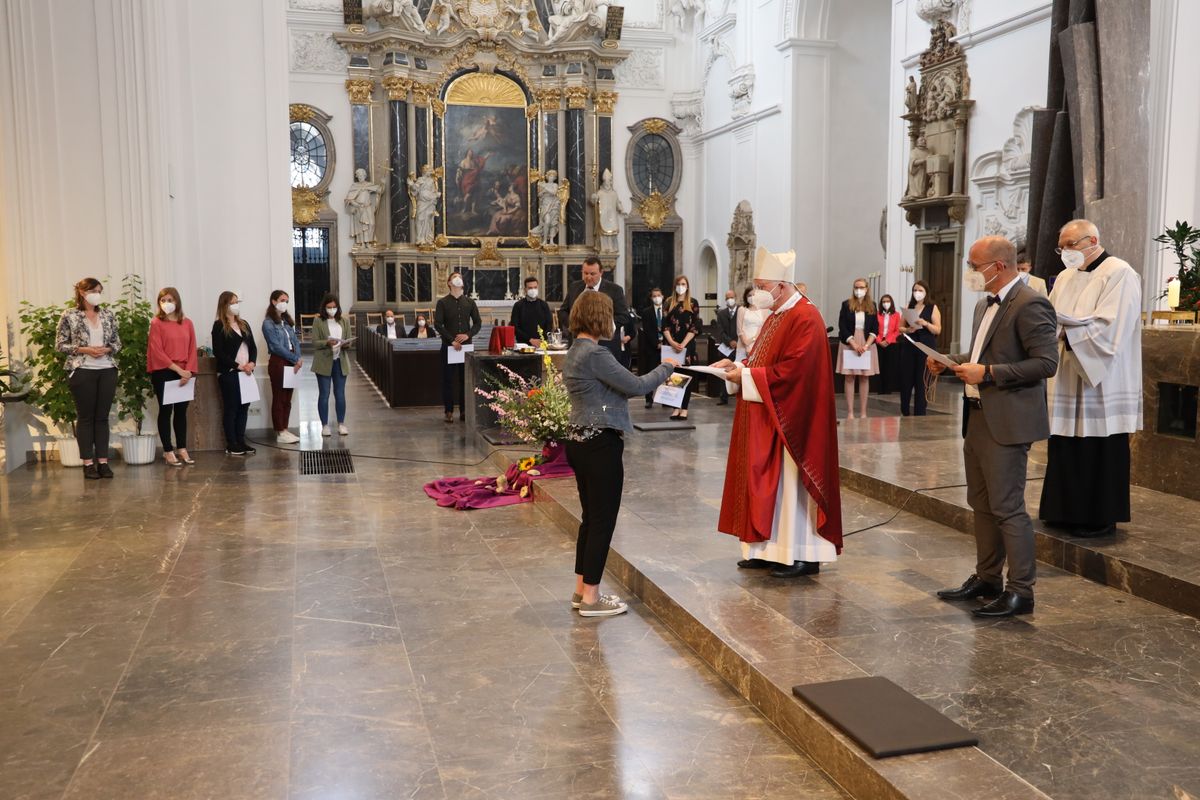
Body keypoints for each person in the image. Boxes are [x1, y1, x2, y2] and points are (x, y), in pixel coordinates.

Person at [929, 235, 1058, 617]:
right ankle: (987, 577)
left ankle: (1022, 591)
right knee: (981, 503)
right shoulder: (983, 305)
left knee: (1008, 507)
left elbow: (1046, 364)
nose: (970, 272)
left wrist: (987, 372)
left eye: (974, 265)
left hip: (1008, 421)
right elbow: (982, 354)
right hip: (978, 416)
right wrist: (950, 361)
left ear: (998, 267)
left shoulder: (1031, 302)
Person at [714, 247, 843, 579]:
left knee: (792, 487)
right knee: (768, 484)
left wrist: (745, 376)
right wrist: (739, 366)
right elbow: (763, 361)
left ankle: (803, 553)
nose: (757, 292)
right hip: (769, 414)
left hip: (796, 420)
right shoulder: (777, 314)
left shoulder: (806, 317)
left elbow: (795, 373)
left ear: (782, 286)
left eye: (761, 285)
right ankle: (768, 550)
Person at [563, 290, 678, 617]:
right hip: (600, 441)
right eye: (611, 315)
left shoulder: (575, 351)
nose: (615, 322)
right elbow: (637, 386)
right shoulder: (596, 354)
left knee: (590, 520)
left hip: (579, 439)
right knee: (602, 521)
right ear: (600, 317)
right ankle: (592, 599)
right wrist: (667, 368)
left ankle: (580, 589)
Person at [1039, 220, 1143, 538]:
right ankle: (1063, 511)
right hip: (1069, 372)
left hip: (1102, 376)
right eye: (1062, 247)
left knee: (1099, 444)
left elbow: (1114, 326)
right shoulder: (1067, 277)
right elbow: (1051, 314)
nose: (1065, 253)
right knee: (1066, 442)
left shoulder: (1119, 272)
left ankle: (1099, 516)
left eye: (1071, 245)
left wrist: (1071, 331)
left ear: (1092, 240)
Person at [56, 278, 121, 479]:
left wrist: (107, 349)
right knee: (86, 418)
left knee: (102, 417)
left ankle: (103, 462)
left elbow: (117, 342)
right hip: (82, 369)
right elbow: (60, 345)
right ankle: (87, 463)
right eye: (94, 290)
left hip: (107, 369)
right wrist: (85, 349)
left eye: (100, 291)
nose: (97, 294)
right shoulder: (69, 315)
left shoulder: (108, 314)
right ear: (83, 292)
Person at [147, 287, 198, 465]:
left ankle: (182, 447)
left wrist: (189, 371)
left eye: (170, 300)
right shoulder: (156, 323)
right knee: (166, 410)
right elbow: (157, 351)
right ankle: (168, 450)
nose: (166, 303)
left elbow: (192, 348)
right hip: (165, 371)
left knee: (181, 412)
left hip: (186, 372)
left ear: (177, 301)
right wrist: (178, 370)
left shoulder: (187, 323)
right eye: (163, 300)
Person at [211, 291, 257, 456]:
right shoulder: (219, 326)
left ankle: (241, 440)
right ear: (225, 305)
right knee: (232, 408)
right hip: (230, 373)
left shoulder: (244, 324)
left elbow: (252, 347)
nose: (236, 305)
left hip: (246, 373)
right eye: (233, 303)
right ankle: (231, 444)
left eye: (237, 302)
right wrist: (238, 366)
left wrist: (252, 363)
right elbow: (219, 352)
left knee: (244, 407)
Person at [559, 256, 631, 358]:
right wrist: (574, 325)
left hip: (605, 346)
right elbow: (563, 311)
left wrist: (599, 326)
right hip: (578, 345)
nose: (588, 277)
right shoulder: (574, 287)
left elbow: (624, 316)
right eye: (585, 273)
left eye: (592, 274)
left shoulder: (614, 290)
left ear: (601, 272)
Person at [435, 271, 481, 423]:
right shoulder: (442, 303)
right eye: (454, 277)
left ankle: (464, 410)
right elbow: (438, 324)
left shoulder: (469, 302)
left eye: (460, 277)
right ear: (449, 283)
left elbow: (478, 323)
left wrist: (467, 335)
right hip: (449, 347)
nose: (457, 279)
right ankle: (448, 411)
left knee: (465, 380)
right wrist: (451, 340)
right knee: (447, 380)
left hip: (465, 348)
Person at [262, 290, 302, 444]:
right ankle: (280, 431)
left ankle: (285, 428)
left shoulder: (286, 322)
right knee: (279, 397)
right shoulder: (268, 323)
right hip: (279, 362)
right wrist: (293, 358)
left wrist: (298, 357)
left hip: (292, 361)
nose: (285, 303)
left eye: (287, 300)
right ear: (273, 301)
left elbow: (295, 341)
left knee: (287, 398)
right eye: (282, 300)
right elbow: (275, 346)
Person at [836, 278, 879, 419]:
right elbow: (842, 326)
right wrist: (854, 344)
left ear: (867, 289)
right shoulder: (846, 304)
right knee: (849, 377)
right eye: (856, 287)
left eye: (861, 287)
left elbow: (875, 328)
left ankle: (863, 413)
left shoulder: (872, 305)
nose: (858, 290)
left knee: (864, 378)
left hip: (867, 343)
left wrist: (866, 345)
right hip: (850, 342)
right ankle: (850, 412)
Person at [897, 280, 942, 416]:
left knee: (921, 381)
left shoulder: (932, 307)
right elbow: (900, 328)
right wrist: (908, 330)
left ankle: (920, 412)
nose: (917, 293)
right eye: (915, 290)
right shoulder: (909, 307)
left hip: (926, 347)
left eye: (920, 290)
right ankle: (905, 410)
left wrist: (926, 323)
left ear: (926, 292)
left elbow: (938, 329)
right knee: (906, 379)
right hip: (910, 345)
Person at [311, 293, 351, 436]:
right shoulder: (318, 321)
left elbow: (348, 340)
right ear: (324, 307)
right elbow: (315, 342)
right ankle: (325, 425)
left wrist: (346, 344)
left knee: (340, 394)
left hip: (340, 361)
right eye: (329, 307)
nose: (332, 309)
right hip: (324, 362)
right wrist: (326, 342)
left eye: (334, 307)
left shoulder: (344, 321)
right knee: (324, 394)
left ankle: (341, 423)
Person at [662, 274, 701, 420]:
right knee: (673, 377)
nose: (681, 287)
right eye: (679, 284)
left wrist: (683, 344)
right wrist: (672, 342)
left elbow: (695, 326)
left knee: (686, 377)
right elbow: (664, 325)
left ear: (687, 286)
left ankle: (684, 408)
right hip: (671, 345)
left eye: (683, 284)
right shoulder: (668, 303)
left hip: (687, 345)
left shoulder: (692, 303)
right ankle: (675, 407)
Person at [638, 287, 665, 408]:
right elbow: (647, 330)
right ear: (651, 298)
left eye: (658, 295)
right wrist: (656, 343)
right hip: (652, 347)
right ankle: (649, 398)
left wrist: (665, 342)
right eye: (654, 296)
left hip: (667, 346)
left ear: (663, 296)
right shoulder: (646, 312)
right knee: (650, 373)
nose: (657, 298)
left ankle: (667, 399)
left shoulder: (668, 310)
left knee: (667, 373)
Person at [509, 275, 553, 346]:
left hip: (541, 343)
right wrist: (530, 339)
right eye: (530, 288)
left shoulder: (544, 305)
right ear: (525, 289)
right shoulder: (518, 305)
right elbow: (514, 327)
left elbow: (549, 325)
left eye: (535, 287)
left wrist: (542, 339)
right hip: (523, 344)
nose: (533, 290)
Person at [714, 289, 739, 406]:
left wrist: (738, 342)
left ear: (736, 297)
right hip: (726, 347)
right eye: (727, 298)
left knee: (738, 370)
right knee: (723, 371)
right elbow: (720, 331)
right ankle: (723, 397)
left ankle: (739, 396)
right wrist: (730, 342)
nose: (730, 300)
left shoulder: (742, 311)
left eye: (732, 297)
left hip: (740, 347)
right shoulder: (721, 314)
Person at [876, 293, 902, 394]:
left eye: (887, 301)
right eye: (883, 302)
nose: (885, 303)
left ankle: (888, 389)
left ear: (891, 303)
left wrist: (888, 341)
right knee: (880, 366)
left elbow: (897, 330)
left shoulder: (896, 315)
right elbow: (874, 329)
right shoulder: (877, 314)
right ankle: (880, 389)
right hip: (879, 343)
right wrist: (879, 341)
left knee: (889, 367)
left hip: (891, 343)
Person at [736, 284, 769, 361]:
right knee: (740, 368)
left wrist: (753, 341)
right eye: (749, 295)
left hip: (758, 344)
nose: (752, 297)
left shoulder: (764, 310)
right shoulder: (742, 309)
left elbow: (763, 329)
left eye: (754, 295)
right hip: (743, 345)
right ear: (746, 297)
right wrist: (747, 346)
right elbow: (739, 331)